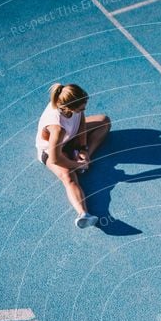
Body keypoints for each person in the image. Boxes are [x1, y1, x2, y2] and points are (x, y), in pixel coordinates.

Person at [36, 82, 111, 228]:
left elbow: (81, 123)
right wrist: (76, 165)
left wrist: (83, 149)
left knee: (104, 121)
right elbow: (55, 158)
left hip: (70, 138)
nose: (84, 108)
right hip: (52, 150)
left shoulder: (71, 105)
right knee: (68, 177)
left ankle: (83, 157)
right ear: (69, 107)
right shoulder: (57, 128)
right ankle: (83, 214)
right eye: (81, 107)